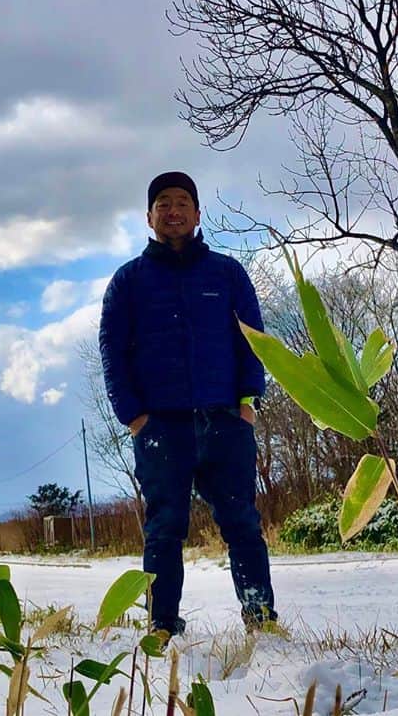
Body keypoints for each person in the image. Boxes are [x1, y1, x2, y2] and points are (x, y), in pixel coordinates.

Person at [99, 170, 277, 638]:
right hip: (161, 427)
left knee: (242, 524)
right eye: (163, 203)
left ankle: (261, 619)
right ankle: (162, 625)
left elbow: (253, 340)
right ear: (149, 217)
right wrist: (134, 417)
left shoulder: (227, 274)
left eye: (182, 202)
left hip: (226, 420)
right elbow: (112, 352)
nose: (173, 210)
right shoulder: (128, 282)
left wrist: (247, 403)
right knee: (164, 530)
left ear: (198, 214)